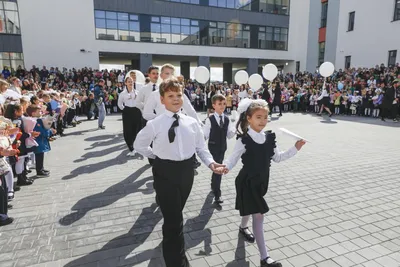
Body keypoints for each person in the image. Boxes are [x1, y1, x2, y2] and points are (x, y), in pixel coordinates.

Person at [133, 77, 224, 267]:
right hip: (164, 172)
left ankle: (171, 246)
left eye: (179, 95)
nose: (175, 99)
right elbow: (139, 144)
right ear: (162, 99)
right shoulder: (155, 124)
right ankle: (177, 261)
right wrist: (155, 156)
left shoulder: (192, 123)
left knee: (175, 214)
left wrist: (211, 163)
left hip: (186, 172)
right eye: (170, 95)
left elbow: (201, 148)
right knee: (174, 220)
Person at [220, 99, 305, 267]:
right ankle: (265, 258)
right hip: (247, 182)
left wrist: (295, 148)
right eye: (258, 117)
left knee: (248, 210)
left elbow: (278, 157)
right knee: (258, 215)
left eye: (266, 117)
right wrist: (225, 167)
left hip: (261, 182)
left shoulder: (269, 137)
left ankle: (243, 228)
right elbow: (233, 158)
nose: (263, 121)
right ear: (249, 119)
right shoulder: (243, 139)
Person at [202, 94, 235, 205]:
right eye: (219, 104)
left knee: (217, 167)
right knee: (219, 167)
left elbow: (229, 135)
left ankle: (213, 185)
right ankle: (217, 193)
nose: (222, 106)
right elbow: (205, 135)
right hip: (213, 146)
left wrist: (236, 128)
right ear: (214, 105)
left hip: (222, 147)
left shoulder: (227, 119)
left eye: (224, 104)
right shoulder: (209, 119)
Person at [118, 76, 142, 157]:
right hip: (127, 112)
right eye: (129, 81)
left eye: (131, 81)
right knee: (128, 130)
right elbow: (119, 104)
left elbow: (141, 102)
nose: (130, 83)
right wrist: (124, 109)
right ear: (125, 83)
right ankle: (131, 147)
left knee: (137, 129)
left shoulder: (137, 92)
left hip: (136, 111)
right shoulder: (122, 94)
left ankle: (136, 146)